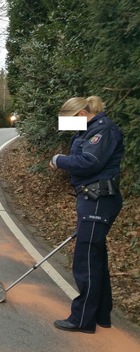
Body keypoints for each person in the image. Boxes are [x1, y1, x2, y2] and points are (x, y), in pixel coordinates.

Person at [50, 95, 124, 334]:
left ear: (81, 115)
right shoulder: (90, 131)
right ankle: (101, 314)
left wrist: (60, 160)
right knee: (96, 257)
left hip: (98, 200)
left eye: (69, 122)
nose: (69, 127)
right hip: (92, 199)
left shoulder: (102, 131)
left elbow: (89, 161)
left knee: (87, 261)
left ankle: (82, 319)